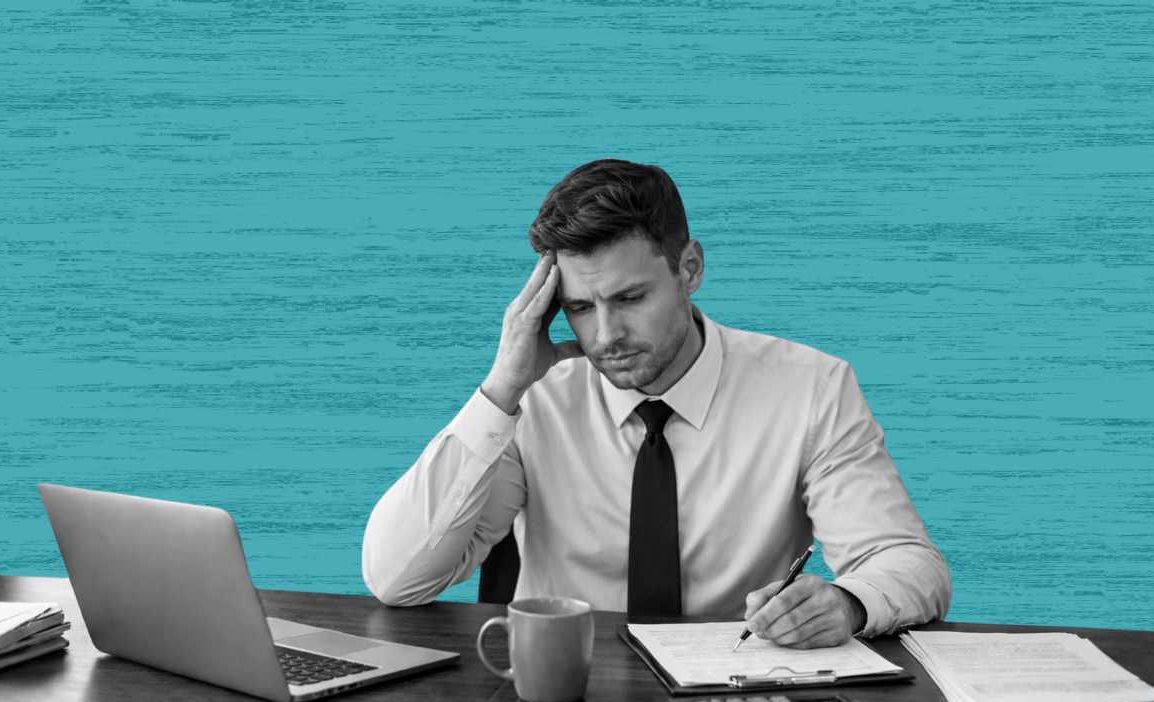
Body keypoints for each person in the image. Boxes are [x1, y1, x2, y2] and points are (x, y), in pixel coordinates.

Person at [362, 159, 950, 648]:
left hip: (735, 688)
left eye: (630, 297)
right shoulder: (533, 398)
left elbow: (909, 562)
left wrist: (847, 602)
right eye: (581, 308)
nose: (606, 334)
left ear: (689, 268)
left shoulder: (811, 388)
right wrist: (500, 390)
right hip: (563, 695)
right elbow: (397, 580)